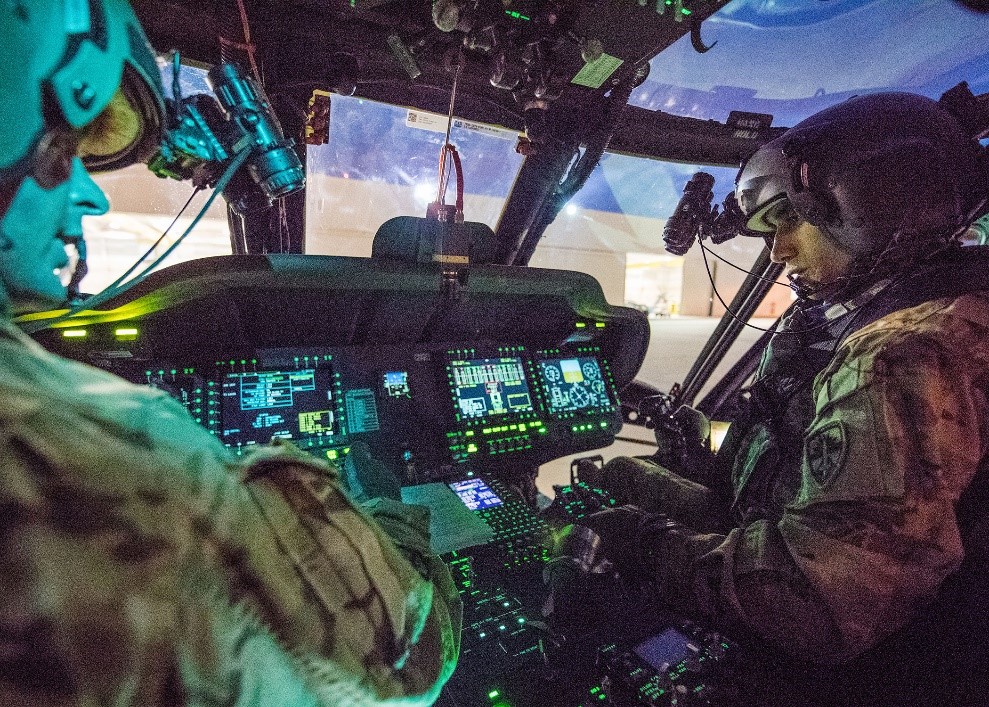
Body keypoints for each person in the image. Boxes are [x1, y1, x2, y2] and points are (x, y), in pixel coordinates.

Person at [0, 1, 460, 704]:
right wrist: (390, 512)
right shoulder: (128, 458)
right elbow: (403, 661)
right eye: (62, 154)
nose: (90, 198)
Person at [582, 87, 989, 704]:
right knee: (622, 476)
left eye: (788, 221)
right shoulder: (881, 314)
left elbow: (815, 599)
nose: (778, 250)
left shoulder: (905, 354)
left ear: (870, 204)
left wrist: (646, 546)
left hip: (863, 673)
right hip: (819, 571)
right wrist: (700, 469)